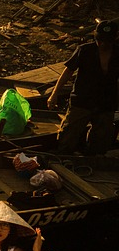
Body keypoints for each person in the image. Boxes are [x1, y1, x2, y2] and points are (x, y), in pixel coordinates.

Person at [47, 19, 119, 154]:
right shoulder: (85, 50)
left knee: (101, 137)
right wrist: (54, 94)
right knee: (69, 133)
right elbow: (68, 71)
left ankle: (93, 159)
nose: (102, 44)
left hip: (106, 102)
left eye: (107, 41)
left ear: (115, 37)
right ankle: (63, 156)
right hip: (82, 100)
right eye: (100, 40)